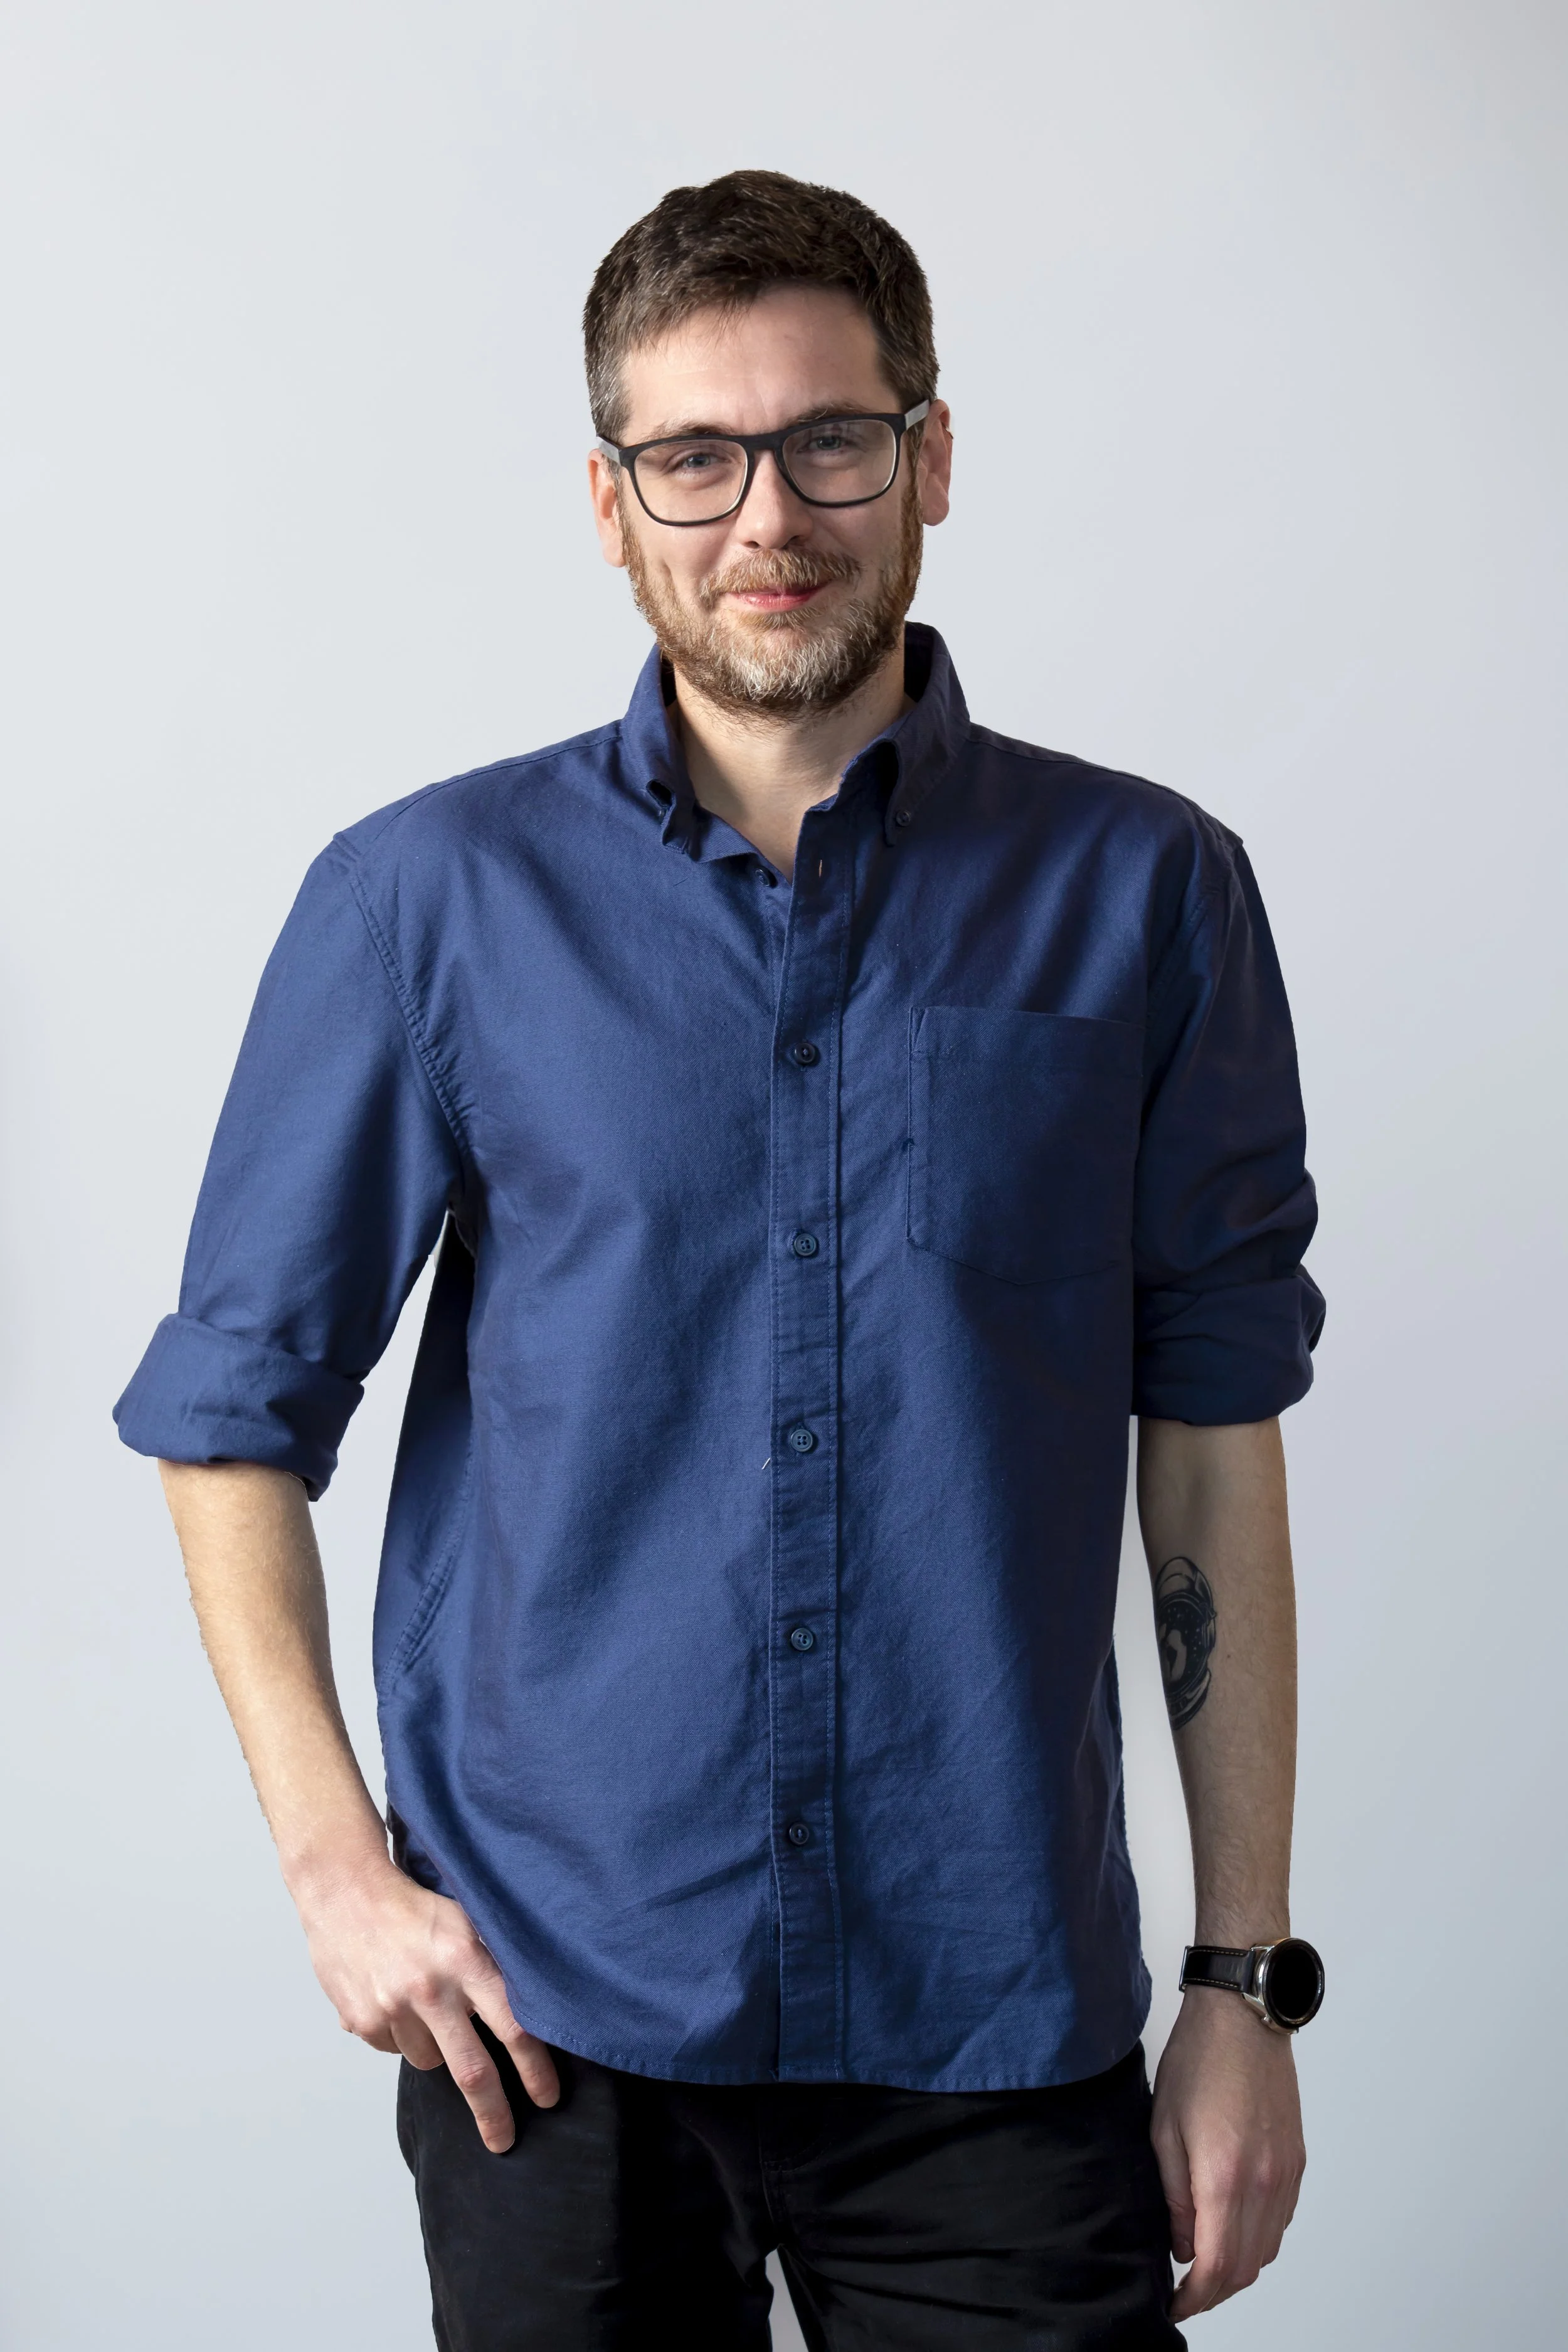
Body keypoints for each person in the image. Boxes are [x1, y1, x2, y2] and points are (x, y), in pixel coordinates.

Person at [116, 168, 1326, 2349]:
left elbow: (1210, 1450)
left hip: (995, 2018)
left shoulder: (1147, 894)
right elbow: (230, 1419)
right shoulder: (425, 902)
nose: (765, 512)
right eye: (694, 455)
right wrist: (332, 1867)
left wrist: (1237, 1986)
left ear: (927, 455)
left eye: (827, 441)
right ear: (611, 500)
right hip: (553, 2025)